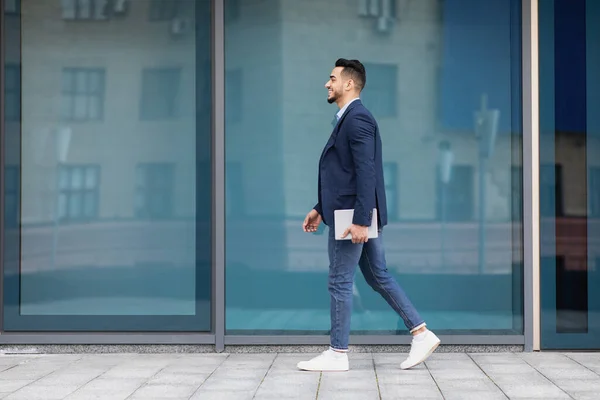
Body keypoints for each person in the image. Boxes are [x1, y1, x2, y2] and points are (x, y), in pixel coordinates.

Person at [297, 59, 440, 372]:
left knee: (339, 281)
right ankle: (421, 332)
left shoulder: (357, 118)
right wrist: (320, 208)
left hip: (354, 217)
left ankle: (337, 352)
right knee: (377, 276)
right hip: (353, 212)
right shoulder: (350, 118)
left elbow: (366, 172)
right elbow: (346, 173)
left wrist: (361, 220)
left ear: (349, 84)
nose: (327, 83)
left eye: (332, 78)